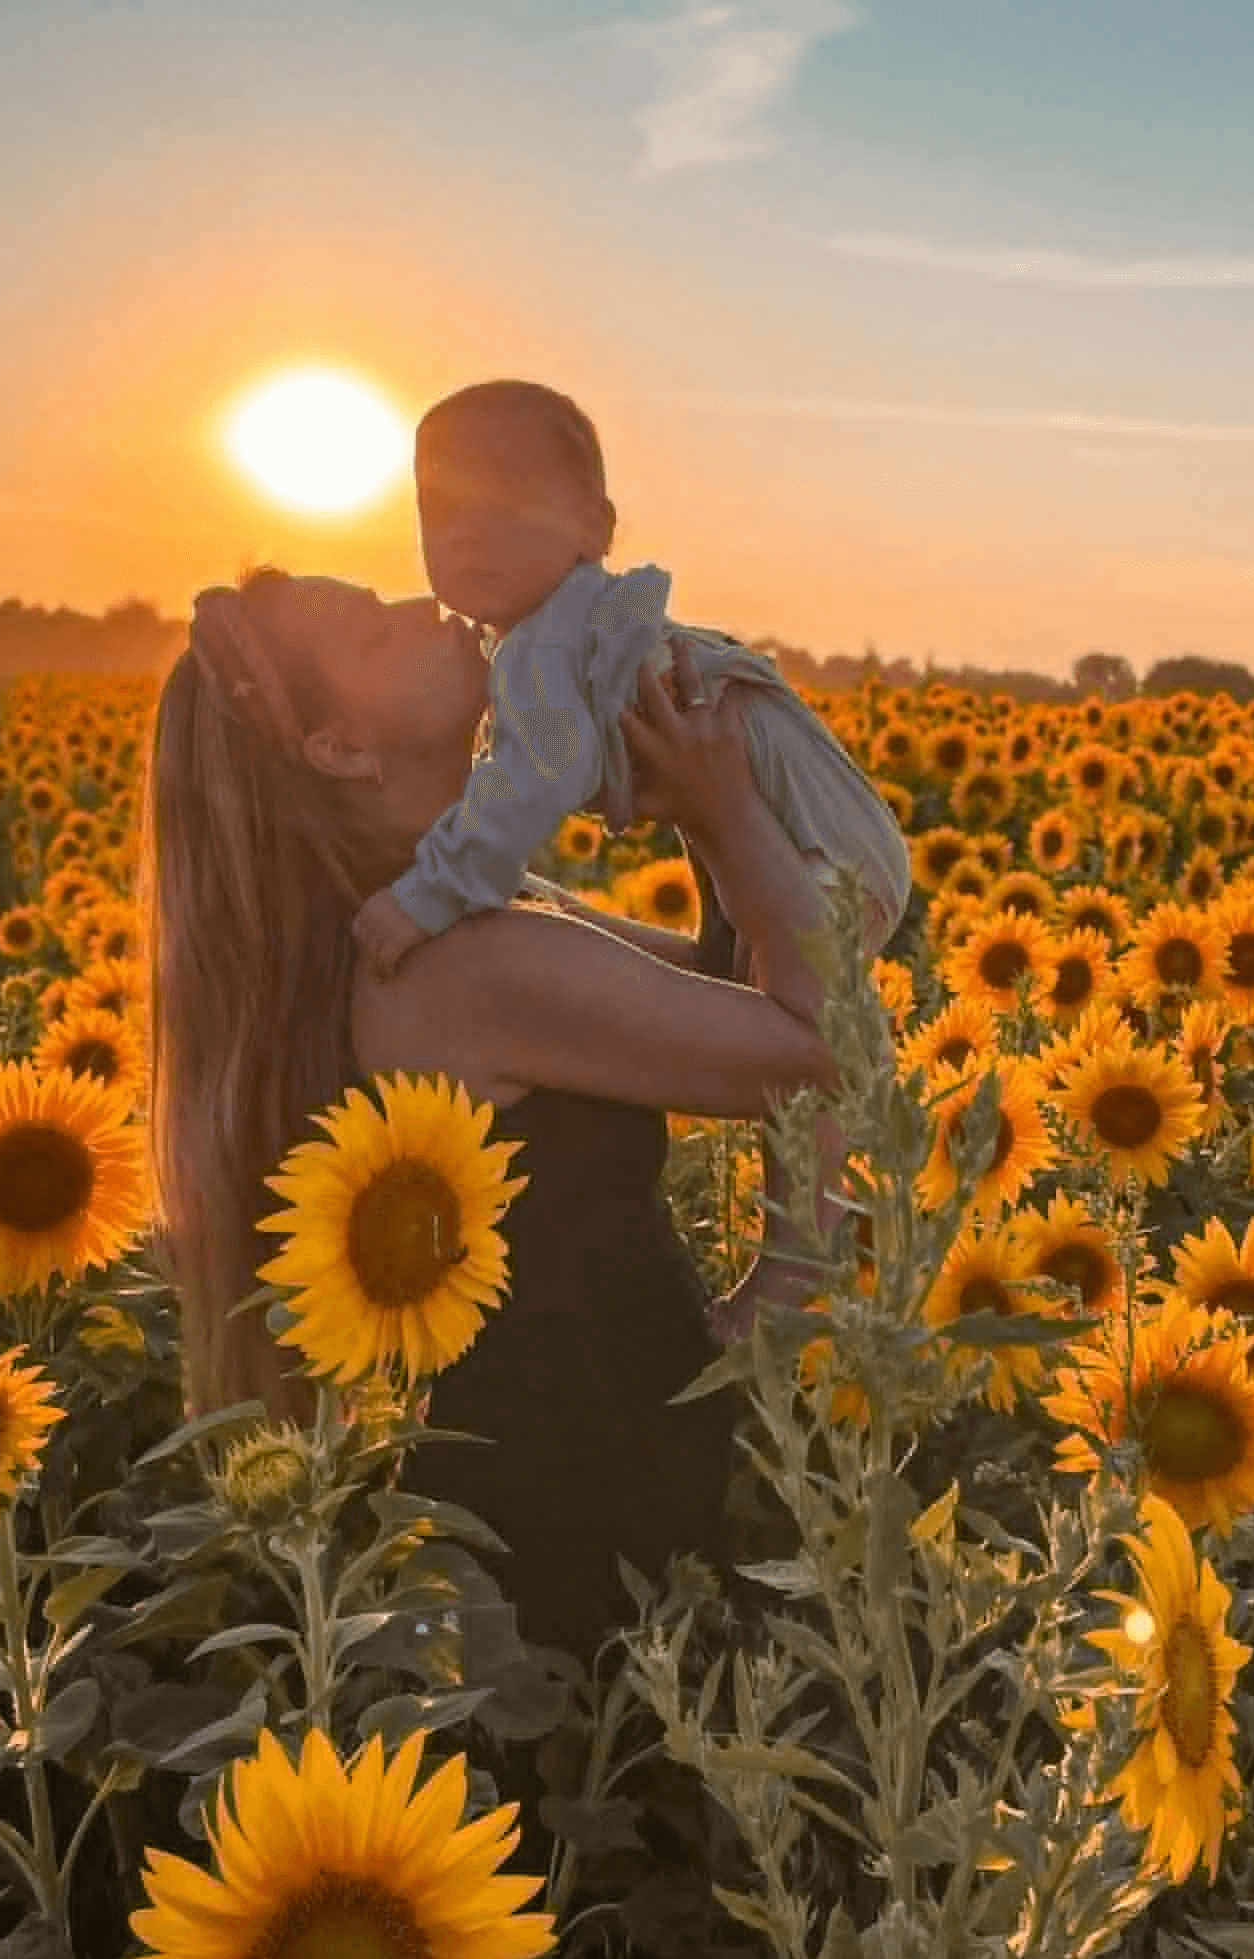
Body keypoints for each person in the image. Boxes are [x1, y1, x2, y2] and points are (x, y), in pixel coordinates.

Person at [138, 563, 841, 1664]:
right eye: (374, 629)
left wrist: (690, 798)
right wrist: (731, 809)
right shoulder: (463, 968)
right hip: (599, 1530)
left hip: (538, 1502)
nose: (426, 605)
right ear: (340, 750)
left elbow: (723, 996)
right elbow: (822, 1050)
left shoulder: (428, 927)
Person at [349, 380, 910, 1338]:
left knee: (813, 1027)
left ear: (593, 528)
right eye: (442, 510)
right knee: (776, 1004)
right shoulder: (539, 640)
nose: (470, 532)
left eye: (506, 501)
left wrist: (435, 892)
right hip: (767, 822)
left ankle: (795, 1265)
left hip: (802, 832)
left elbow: (540, 770)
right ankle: (804, 1256)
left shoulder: (541, 650)